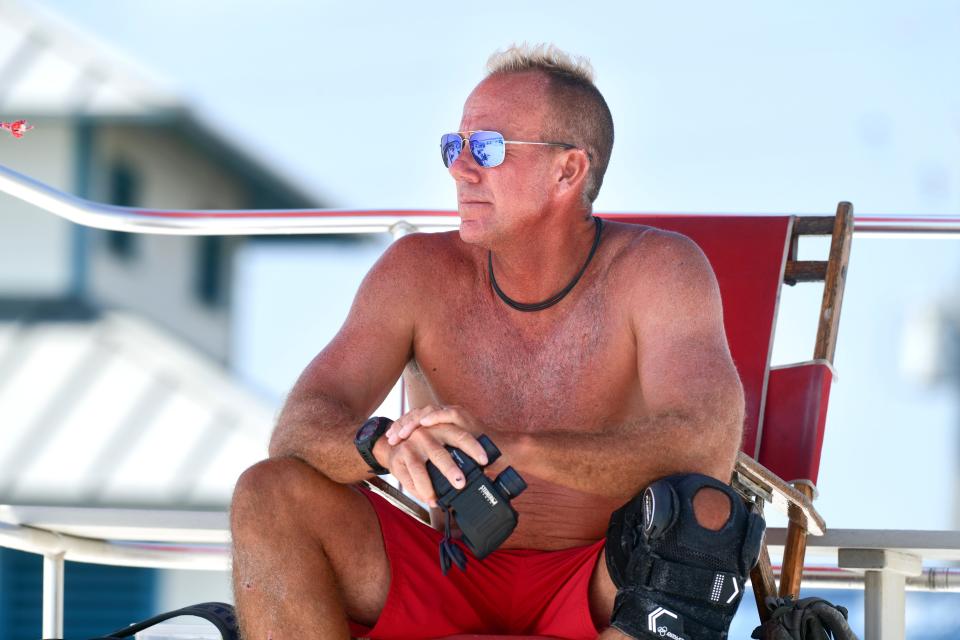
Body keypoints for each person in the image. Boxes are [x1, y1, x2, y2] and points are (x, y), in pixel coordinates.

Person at [230, 44, 754, 640]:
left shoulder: (660, 269)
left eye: (489, 148)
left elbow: (705, 446)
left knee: (707, 517)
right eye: (455, 147)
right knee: (268, 492)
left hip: (598, 582)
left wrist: (513, 449)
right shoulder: (416, 271)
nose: (460, 169)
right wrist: (382, 445)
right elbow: (297, 431)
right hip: (446, 568)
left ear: (568, 171)